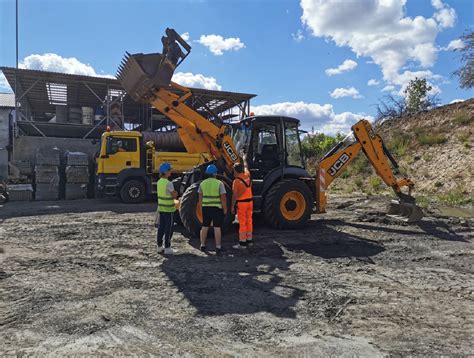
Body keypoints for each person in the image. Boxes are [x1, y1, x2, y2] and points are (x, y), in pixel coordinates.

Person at [198, 164, 227, 254]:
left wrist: (201, 208)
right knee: (217, 227)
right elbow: (223, 198)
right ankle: (218, 247)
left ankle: (202, 245)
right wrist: (225, 208)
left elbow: (200, 199)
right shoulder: (219, 183)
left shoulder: (202, 183)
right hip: (217, 208)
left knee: (205, 226)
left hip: (206, 208)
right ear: (215, 173)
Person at [156, 162, 178, 255]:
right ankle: (168, 248)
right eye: (170, 170)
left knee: (161, 228)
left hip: (161, 208)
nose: (171, 172)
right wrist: (176, 194)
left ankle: (159, 246)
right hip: (169, 209)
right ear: (166, 172)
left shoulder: (159, 182)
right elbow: (174, 195)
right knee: (169, 228)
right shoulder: (169, 183)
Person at [231, 157, 253, 249]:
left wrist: (232, 206)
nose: (233, 173)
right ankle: (249, 241)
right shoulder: (247, 175)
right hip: (250, 202)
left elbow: (235, 195)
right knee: (249, 221)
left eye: (234, 171)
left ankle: (242, 243)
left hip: (242, 204)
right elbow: (246, 166)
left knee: (242, 223)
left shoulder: (236, 181)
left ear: (236, 171)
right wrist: (244, 158)